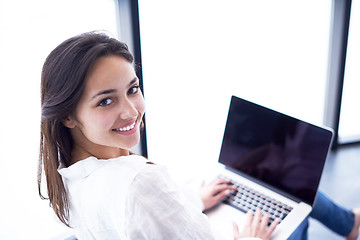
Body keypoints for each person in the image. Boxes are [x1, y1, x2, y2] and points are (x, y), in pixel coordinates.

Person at [38, 32, 359, 240]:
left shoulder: (70, 175)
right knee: (293, 194)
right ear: (67, 115)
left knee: (280, 179)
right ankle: (348, 224)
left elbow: (144, 221)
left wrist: (192, 200)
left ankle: (348, 223)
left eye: (132, 89)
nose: (132, 111)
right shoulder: (139, 183)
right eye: (106, 100)